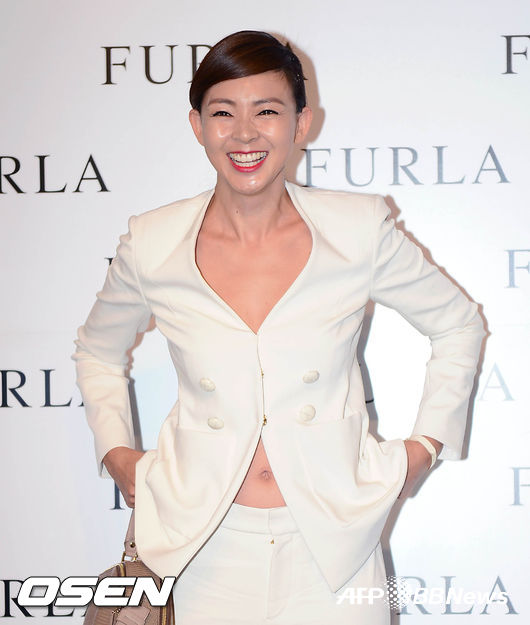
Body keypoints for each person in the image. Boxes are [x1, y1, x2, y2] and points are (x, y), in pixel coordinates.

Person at [73, 30, 486, 625]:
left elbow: (458, 324)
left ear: (301, 123)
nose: (245, 134)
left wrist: (425, 447)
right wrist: (115, 449)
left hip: (334, 547)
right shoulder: (153, 242)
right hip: (200, 546)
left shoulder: (357, 230)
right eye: (223, 113)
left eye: (267, 111)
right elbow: (97, 351)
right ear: (196, 125)